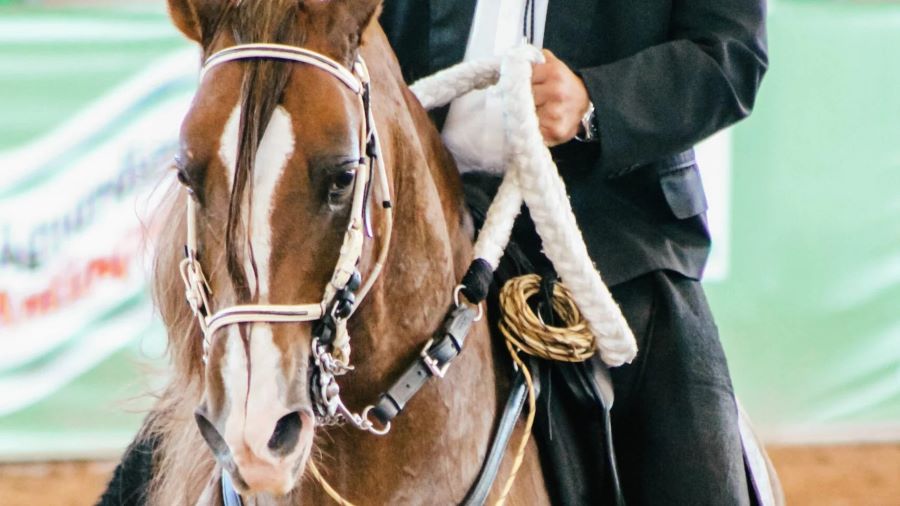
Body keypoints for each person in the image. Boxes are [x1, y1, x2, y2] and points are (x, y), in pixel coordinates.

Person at [380, 0, 768, 504]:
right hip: (407, 215)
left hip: (620, 230)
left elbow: (730, 55)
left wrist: (594, 100)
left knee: (697, 469)